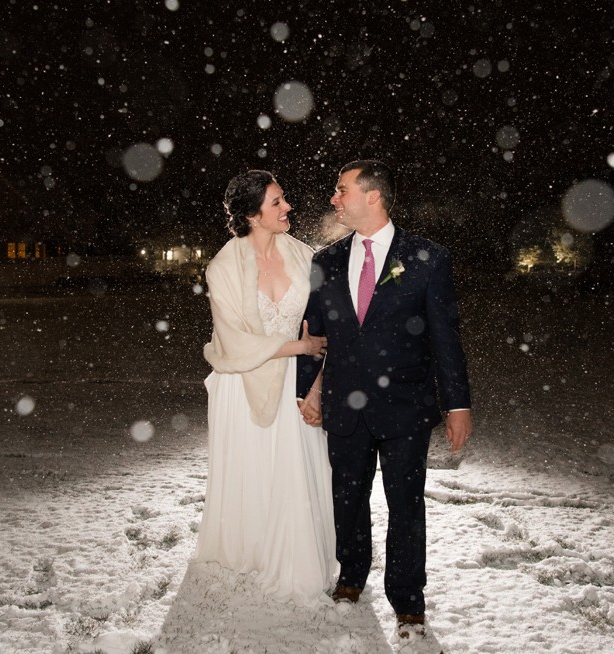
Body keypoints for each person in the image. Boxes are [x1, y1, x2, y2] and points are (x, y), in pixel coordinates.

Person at [297, 160, 472, 636]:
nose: (334, 198)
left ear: (372, 196)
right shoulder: (326, 261)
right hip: (343, 407)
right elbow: (313, 332)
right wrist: (306, 390)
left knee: (406, 506)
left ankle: (408, 599)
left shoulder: (426, 257)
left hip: (406, 407)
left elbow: (445, 337)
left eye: (341, 190)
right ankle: (351, 577)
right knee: (347, 499)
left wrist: (457, 405)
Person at [196, 169, 338, 606]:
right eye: (276, 202)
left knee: (294, 468)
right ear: (251, 215)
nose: (287, 208)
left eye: (284, 199)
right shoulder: (223, 266)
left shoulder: (304, 255)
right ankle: (249, 547)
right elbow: (235, 340)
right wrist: (299, 344)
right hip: (242, 385)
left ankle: (296, 554)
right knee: (253, 471)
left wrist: (321, 353)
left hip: (294, 381)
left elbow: (322, 316)